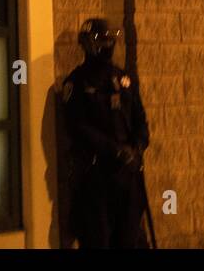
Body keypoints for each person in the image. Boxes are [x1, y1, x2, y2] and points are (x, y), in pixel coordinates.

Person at [61, 17, 152, 248]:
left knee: (130, 240)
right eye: (102, 40)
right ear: (88, 44)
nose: (108, 44)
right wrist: (115, 151)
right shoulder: (76, 82)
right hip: (97, 177)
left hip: (128, 176)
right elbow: (76, 126)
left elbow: (140, 120)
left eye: (111, 39)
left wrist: (138, 147)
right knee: (98, 241)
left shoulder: (124, 79)